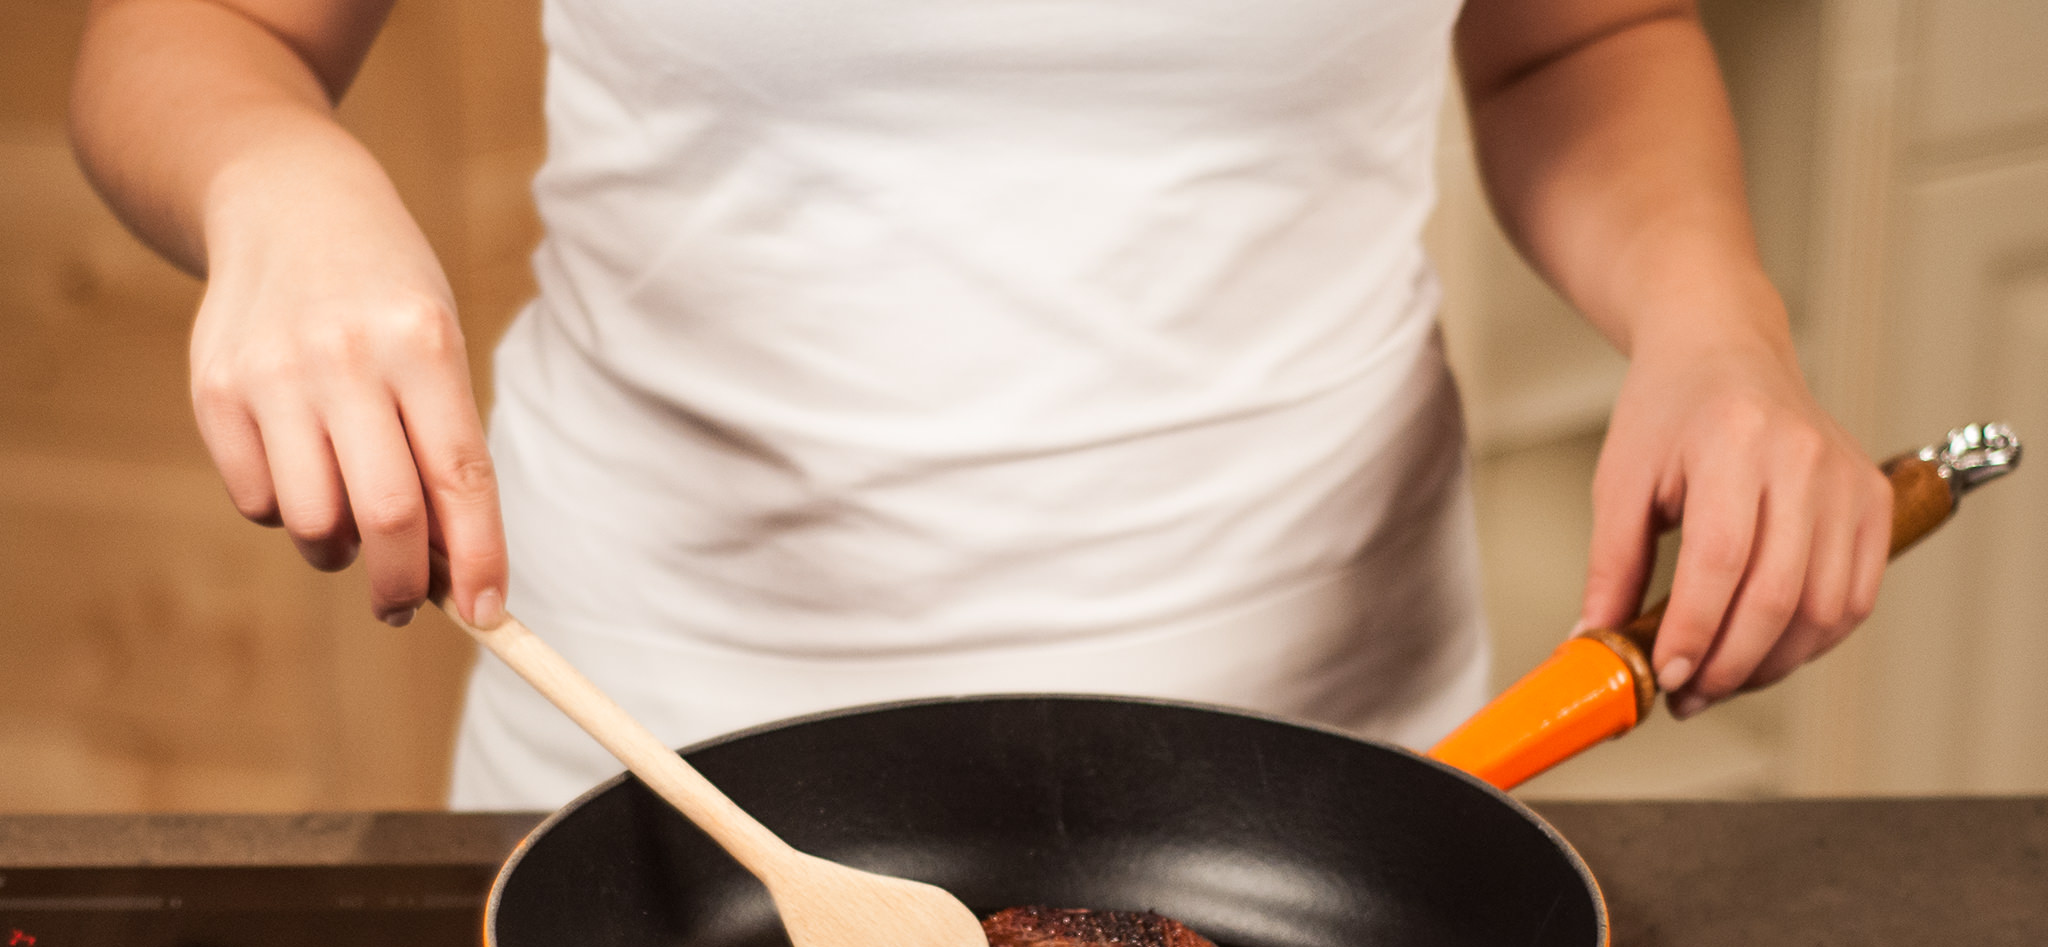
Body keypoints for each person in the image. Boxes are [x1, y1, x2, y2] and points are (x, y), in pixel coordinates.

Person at [71, 0, 1892, 809]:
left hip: (1326, 798)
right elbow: (195, 26)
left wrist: (1715, 313)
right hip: (659, 791)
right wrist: (266, 175)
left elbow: (1575, 35)